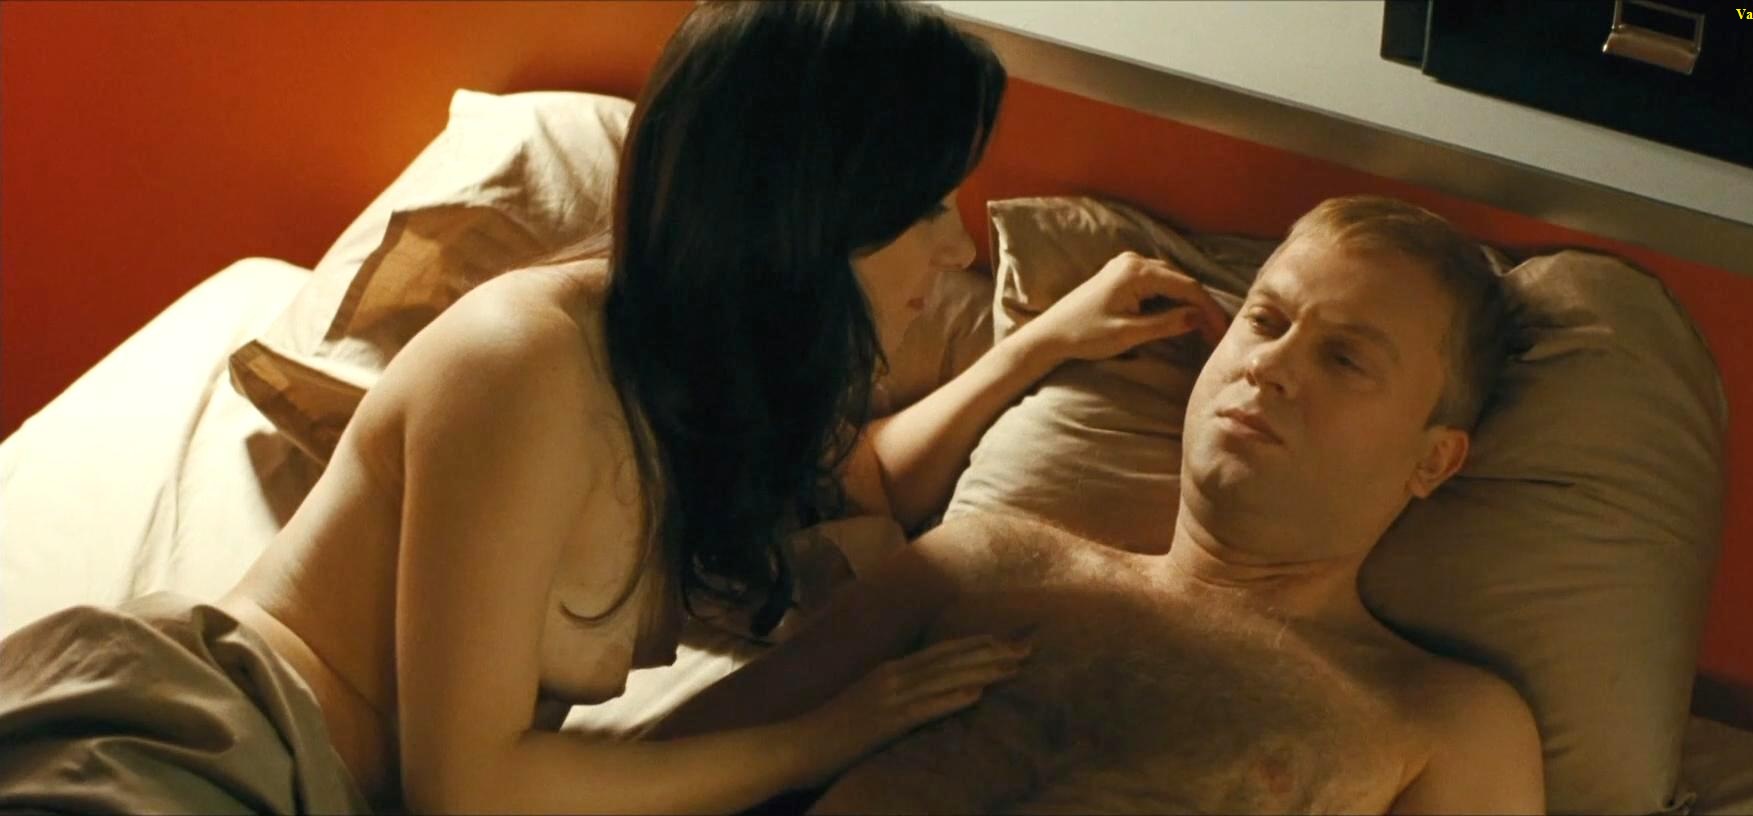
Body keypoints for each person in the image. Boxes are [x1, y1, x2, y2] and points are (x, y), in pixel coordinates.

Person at [0, 2, 1231, 814]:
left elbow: (861, 485)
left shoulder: (718, 381)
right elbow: (467, 791)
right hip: (218, 747)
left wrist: (1039, 345)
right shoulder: (527, 369)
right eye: (925, 211)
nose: (957, 249)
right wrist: (826, 733)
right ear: (811, 223)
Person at [647, 196, 1545, 814]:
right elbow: (653, 779)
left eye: (1345, 359)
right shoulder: (989, 563)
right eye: (1265, 321)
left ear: (1433, 460)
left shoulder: (1442, 722)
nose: (1268, 365)